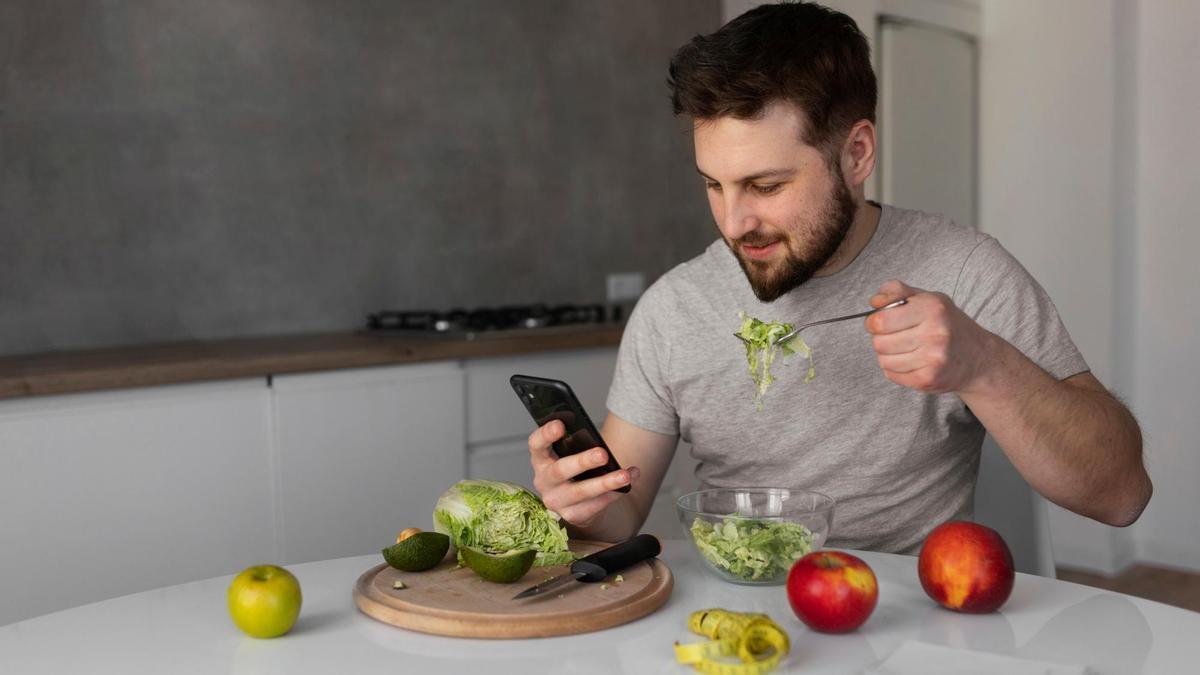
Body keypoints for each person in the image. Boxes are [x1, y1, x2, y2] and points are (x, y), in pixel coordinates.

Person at [527, 1, 1151, 553]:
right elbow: (619, 517)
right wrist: (580, 501)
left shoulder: (964, 271)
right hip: (736, 618)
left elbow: (1121, 495)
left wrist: (985, 364)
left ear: (856, 154)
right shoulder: (672, 309)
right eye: (713, 185)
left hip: (900, 623)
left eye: (766, 185)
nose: (734, 221)